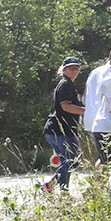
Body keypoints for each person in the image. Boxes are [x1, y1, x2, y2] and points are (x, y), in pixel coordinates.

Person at [41, 57, 85, 193]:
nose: (74, 70)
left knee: (67, 162)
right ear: (64, 70)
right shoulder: (66, 84)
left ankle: (64, 193)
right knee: (73, 161)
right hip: (60, 130)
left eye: (76, 68)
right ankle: (50, 185)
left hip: (57, 130)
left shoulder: (68, 85)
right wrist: (86, 111)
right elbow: (65, 106)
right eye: (71, 68)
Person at [84, 43, 111, 167]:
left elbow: (86, 96)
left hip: (92, 119)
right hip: (108, 120)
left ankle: (98, 186)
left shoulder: (94, 72)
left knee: (104, 159)